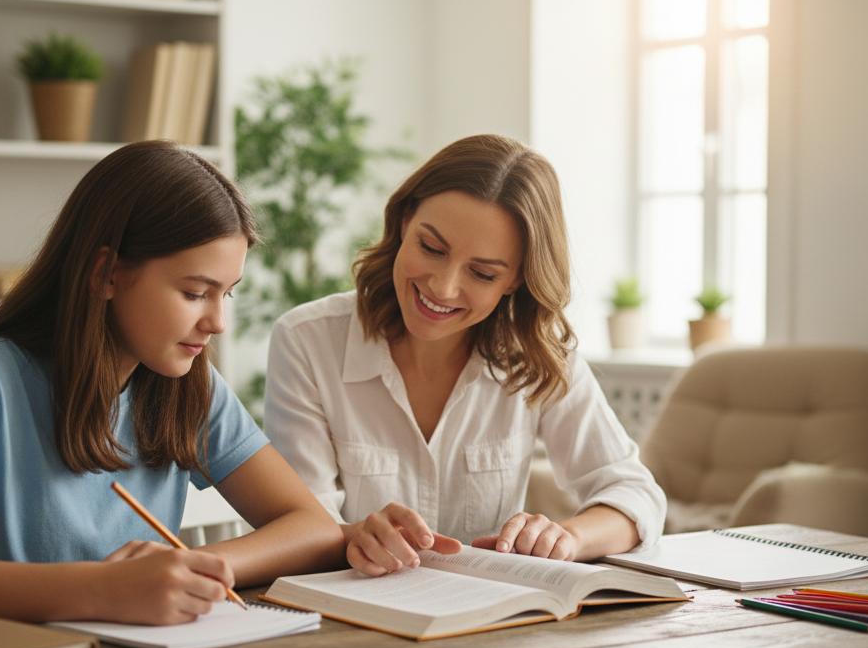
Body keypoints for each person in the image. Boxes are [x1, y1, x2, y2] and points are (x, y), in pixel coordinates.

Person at [0, 141, 344, 623]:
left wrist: (195, 569)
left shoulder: (189, 386)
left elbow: (314, 528)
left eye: (226, 294)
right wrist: (105, 588)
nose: (217, 323)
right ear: (106, 273)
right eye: (194, 292)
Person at [264, 134, 666, 577]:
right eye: (431, 248)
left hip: (493, 627)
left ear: (514, 280)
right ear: (404, 223)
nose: (443, 287)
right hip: (350, 618)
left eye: (482, 272)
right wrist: (353, 538)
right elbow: (300, 526)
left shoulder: (538, 356)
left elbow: (635, 495)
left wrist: (568, 537)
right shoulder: (307, 341)